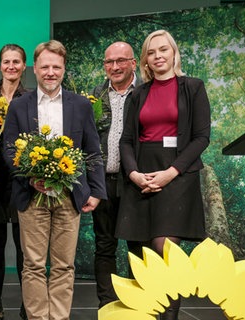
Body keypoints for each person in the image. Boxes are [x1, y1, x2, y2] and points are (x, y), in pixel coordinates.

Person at [3, 40, 106, 320]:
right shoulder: (19, 106)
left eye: (56, 67)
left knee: (64, 265)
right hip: (31, 195)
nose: (51, 72)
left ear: (63, 69)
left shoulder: (82, 105)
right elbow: (9, 150)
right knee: (33, 265)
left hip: (70, 195)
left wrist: (96, 192)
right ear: (34, 69)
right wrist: (30, 177)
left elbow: (93, 150)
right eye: (45, 66)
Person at [116, 30, 210, 320]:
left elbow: (201, 137)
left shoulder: (192, 87)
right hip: (141, 175)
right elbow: (126, 140)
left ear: (173, 53)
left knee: (164, 252)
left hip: (177, 175)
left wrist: (171, 172)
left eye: (163, 50)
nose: (158, 56)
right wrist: (132, 173)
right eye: (152, 52)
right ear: (145, 59)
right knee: (141, 255)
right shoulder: (138, 93)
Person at [91, 41, 143, 308]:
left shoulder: (146, 92)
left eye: (120, 61)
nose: (114, 67)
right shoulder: (95, 95)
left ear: (133, 63)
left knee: (137, 248)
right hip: (103, 182)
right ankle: (108, 307)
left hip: (135, 183)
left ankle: (140, 307)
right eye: (109, 62)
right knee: (104, 246)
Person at [0, 43, 28, 320]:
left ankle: (28, 305)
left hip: (23, 180)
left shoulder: (32, 98)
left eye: (16, 62)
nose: (11, 66)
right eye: (6, 62)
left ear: (24, 66)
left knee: (26, 249)